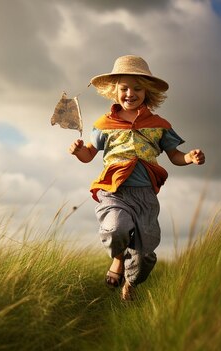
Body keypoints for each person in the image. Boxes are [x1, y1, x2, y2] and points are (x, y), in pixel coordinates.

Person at [68, 55, 205, 301]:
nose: (130, 93)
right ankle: (118, 259)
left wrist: (189, 158)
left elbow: (174, 155)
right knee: (116, 230)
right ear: (115, 91)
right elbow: (89, 154)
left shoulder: (159, 125)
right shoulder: (104, 124)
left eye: (137, 88)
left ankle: (131, 282)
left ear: (147, 91)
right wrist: (79, 151)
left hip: (145, 196)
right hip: (115, 191)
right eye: (124, 88)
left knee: (144, 257)